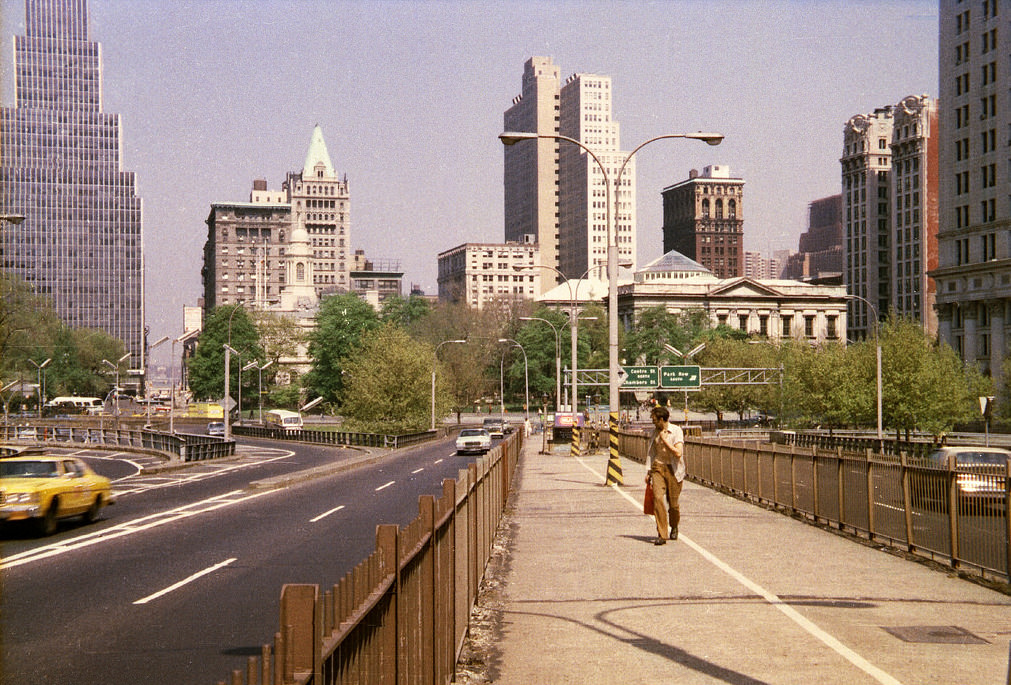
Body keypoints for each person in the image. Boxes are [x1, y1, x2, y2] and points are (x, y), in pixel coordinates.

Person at [645, 404, 685, 546]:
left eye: (655, 420)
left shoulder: (676, 431)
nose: (653, 423)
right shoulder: (654, 432)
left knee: (673, 504)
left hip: (673, 470)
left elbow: (678, 453)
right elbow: (651, 453)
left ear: (662, 419)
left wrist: (665, 440)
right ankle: (662, 534)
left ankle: (674, 526)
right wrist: (648, 471)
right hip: (658, 467)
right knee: (657, 498)